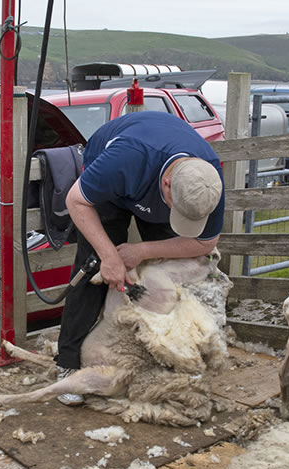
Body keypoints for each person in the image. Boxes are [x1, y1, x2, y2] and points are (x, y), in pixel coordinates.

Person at [55, 111, 224, 405]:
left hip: (155, 186)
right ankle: (67, 362)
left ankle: (161, 357)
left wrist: (142, 251)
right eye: (179, 211)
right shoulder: (125, 158)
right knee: (94, 265)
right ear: (169, 184)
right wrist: (110, 256)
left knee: (161, 267)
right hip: (111, 187)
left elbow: (206, 241)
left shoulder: (207, 180)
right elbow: (76, 201)